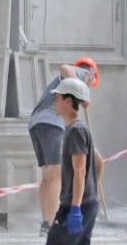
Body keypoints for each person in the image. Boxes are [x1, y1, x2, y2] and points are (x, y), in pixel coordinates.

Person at [43, 75, 105, 245]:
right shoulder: (80, 130)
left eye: (58, 98)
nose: (55, 101)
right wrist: (92, 189)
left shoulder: (75, 131)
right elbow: (98, 163)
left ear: (70, 101)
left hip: (76, 205)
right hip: (88, 202)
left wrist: (76, 206)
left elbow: (80, 169)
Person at [26, 56, 99, 231]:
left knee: (47, 176)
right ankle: (50, 224)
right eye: (89, 84)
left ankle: (46, 221)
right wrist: (81, 88)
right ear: (91, 74)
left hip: (37, 123)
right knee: (55, 175)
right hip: (50, 123)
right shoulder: (80, 74)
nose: (88, 87)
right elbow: (64, 66)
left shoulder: (67, 88)